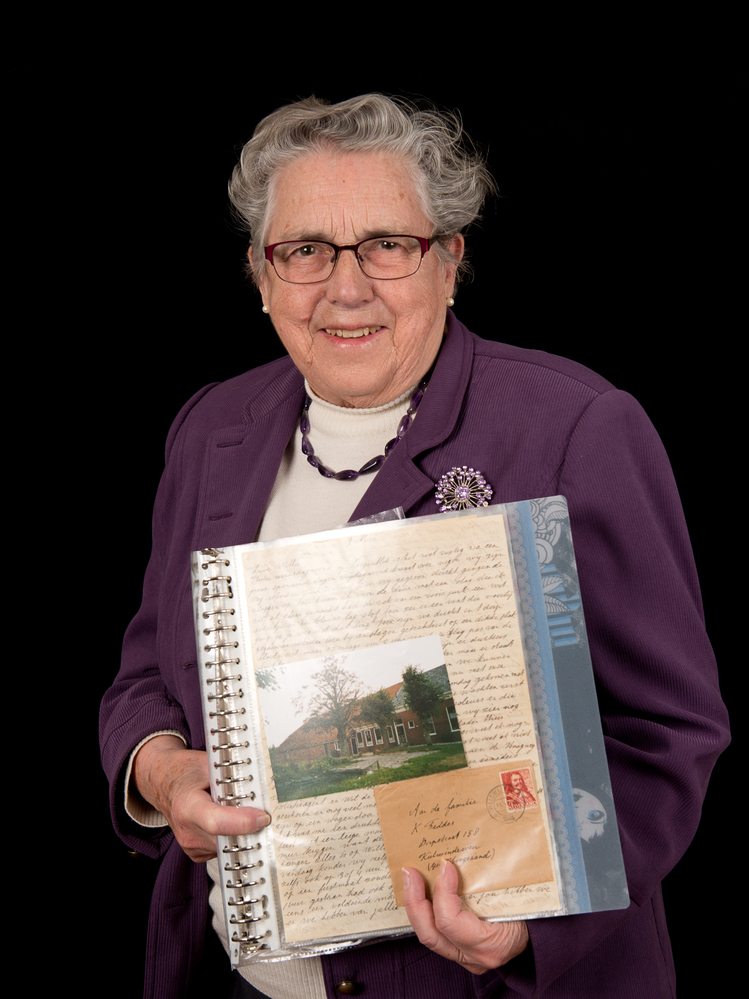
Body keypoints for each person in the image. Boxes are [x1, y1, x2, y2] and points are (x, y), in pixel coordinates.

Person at [100, 94, 729, 999]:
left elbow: (667, 731)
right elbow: (145, 677)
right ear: (261, 274)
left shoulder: (574, 427)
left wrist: (529, 927)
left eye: (386, 245)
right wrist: (159, 770)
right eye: (305, 250)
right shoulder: (211, 428)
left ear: (448, 261)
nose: (345, 287)